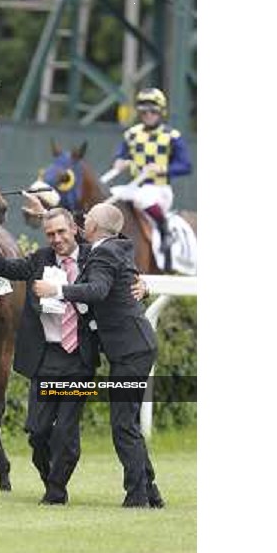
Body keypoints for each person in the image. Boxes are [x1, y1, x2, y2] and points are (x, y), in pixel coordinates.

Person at [0, 208, 147, 505]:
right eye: (50, 234)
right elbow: (4, 268)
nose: (56, 239)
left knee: (66, 434)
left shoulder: (95, 255)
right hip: (44, 359)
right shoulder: (40, 259)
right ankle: (51, 479)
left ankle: (57, 490)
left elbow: (121, 275)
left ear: (75, 229)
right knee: (38, 433)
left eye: (61, 232)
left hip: (77, 359)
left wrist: (144, 285)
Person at [33, 203, 164, 508]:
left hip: (131, 350)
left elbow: (98, 290)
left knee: (123, 426)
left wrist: (57, 290)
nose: (83, 219)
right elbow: (116, 285)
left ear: (96, 226)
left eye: (87, 217)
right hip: (134, 348)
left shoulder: (105, 252)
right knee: (127, 422)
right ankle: (150, 492)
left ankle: (138, 497)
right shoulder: (110, 249)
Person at [110, 87, 192, 271]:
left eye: (152, 110)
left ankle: (164, 230)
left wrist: (163, 169)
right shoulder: (131, 134)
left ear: (161, 111)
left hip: (160, 189)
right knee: (112, 195)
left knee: (143, 197)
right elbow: (121, 154)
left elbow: (186, 166)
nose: (148, 114)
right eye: (143, 111)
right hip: (136, 186)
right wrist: (119, 162)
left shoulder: (172, 136)